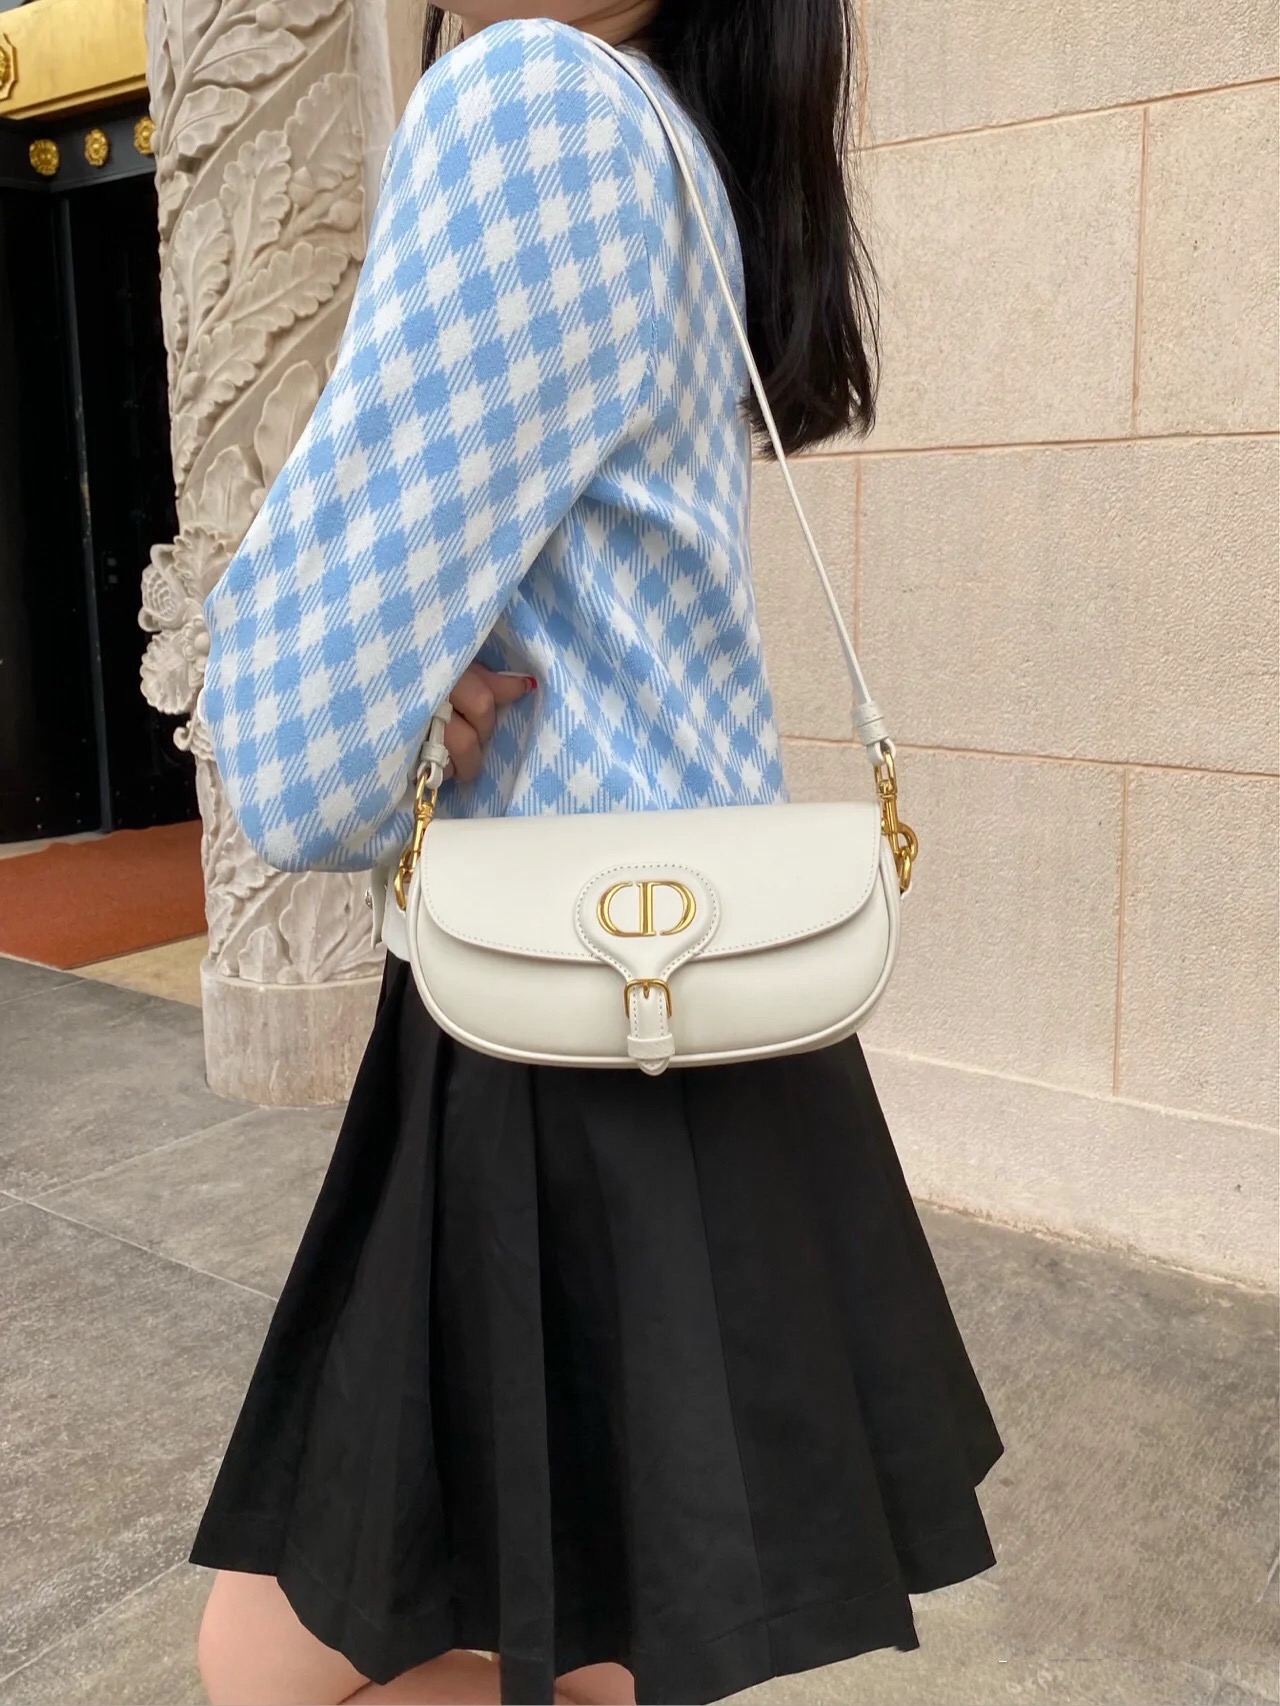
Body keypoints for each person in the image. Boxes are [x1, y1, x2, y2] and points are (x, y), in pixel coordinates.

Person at [189, 3, 1004, 1703]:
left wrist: (385, 692)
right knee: (604, 1638)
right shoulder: (664, 138)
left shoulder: (526, 105)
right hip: (702, 1019)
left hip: (549, 1039)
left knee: (281, 1663)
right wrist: (418, 680)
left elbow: (289, 755)